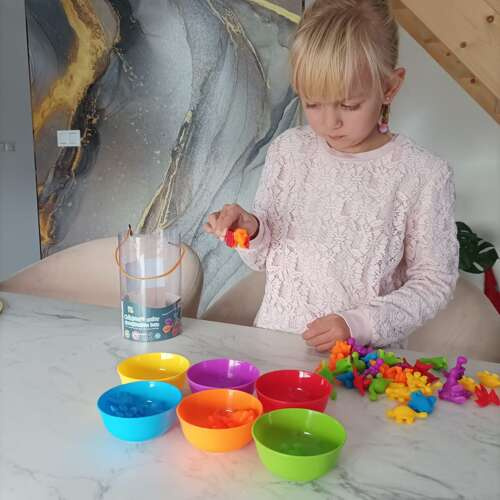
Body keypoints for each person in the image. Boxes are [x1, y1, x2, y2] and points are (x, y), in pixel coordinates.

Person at [204, 0, 459, 352]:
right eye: (312, 103)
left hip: (359, 364)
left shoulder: (422, 175)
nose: (329, 122)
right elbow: (262, 258)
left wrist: (359, 324)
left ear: (389, 87)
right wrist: (251, 230)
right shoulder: (289, 152)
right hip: (274, 352)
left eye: (348, 105)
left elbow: (434, 282)